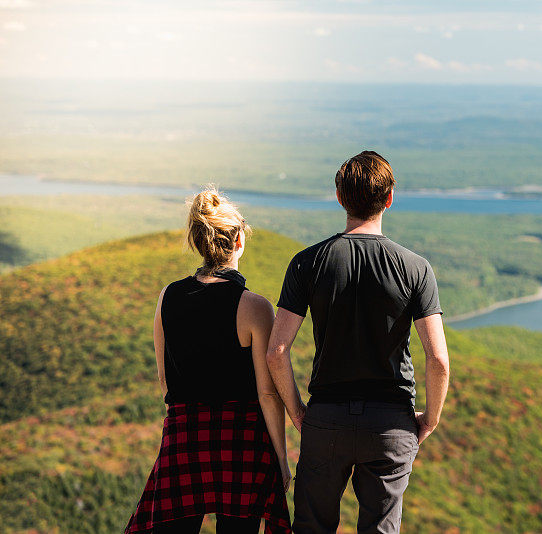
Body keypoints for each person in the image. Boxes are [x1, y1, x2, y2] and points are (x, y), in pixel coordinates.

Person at [266, 151, 450, 534]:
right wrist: (429, 420)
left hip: (326, 418)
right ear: (389, 199)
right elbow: (438, 359)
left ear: (339, 197)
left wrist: (298, 411)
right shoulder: (415, 268)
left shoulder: (307, 262)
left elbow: (277, 351)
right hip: (391, 423)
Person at [125, 187, 292, 534]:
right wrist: (281, 458)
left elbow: (164, 380)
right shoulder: (255, 307)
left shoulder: (167, 297)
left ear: (198, 243)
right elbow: (267, 394)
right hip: (243, 445)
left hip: (184, 438)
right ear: (239, 240)